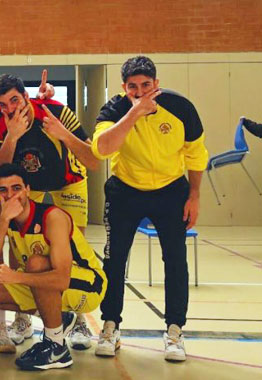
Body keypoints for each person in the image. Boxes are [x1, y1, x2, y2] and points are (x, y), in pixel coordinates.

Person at [91, 55, 209, 361]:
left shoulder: (181, 108)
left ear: (156, 84)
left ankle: (174, 331)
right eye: (133, 87)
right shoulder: (115, 109)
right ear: (124, 87)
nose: (140, 92)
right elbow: (103, 148)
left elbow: (196, 155)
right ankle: (110, 325)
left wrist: (194, 195)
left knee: (175, 260)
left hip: (171, 191)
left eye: (146, 85)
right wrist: (134, 113)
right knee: (114, 260)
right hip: (125, 190)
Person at [0, 73, 99, 348]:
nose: (10, 108)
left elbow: (93, 160)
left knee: (69, 249)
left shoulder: (57, 112)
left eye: (14, 100)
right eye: (3, 104)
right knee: (17, 242)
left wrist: (63, 135)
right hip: (27, 185)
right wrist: (12, 136)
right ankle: (22, 318)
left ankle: (77, 318)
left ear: (26, 95)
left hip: (68, 182)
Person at [0, 163, 107, 370]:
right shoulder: (0, 221)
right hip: (47, 284)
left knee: (36, 263)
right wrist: (4, 219)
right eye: (3, 190)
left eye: (16, 188)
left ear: (27, 189)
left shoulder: (52, 217)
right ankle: (59, 319)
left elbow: (61, 278)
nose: (11, 195)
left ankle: (57, 347)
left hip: (88, 286)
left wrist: (18, 278)